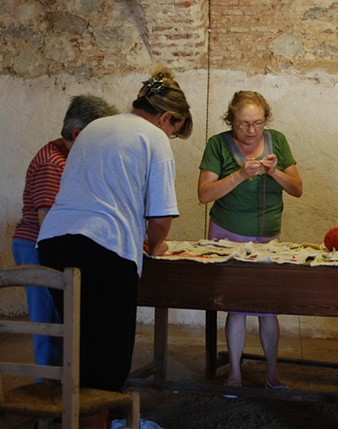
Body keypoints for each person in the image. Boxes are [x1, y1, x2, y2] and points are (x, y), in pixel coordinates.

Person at [38, 65, 192, 428]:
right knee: (106, 355)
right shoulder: (153, 139)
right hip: (104, 247)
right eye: (173, 130)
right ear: (166, 117)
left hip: (54, 243)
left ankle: (73, 419)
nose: (169, 137)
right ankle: (96, 424)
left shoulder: (95, 127)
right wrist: (154, 248)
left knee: (77, 345)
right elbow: (160, 219)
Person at [198, 90, 303, 392]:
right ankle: (234, 374)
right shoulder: (218, 144)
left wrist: (274, 172)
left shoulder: (278, 141)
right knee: (238, 306)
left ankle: (273, 374)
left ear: (265, 121)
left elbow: (296, 189)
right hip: (227, 235)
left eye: (257, 123)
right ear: (231, 120)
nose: (251, 130)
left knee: (268, 307)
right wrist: (240, 176)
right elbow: (204, 194)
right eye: (243, 123)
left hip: (268, 236)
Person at [12, 95, 118, 369]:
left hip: (48, 246)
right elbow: (48, 221)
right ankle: (46, 386)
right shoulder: (53, 164)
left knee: (59, 318)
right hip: (36, 248)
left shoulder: (68, 158)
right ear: (78, 133)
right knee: (46, 321)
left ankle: (60, 385)